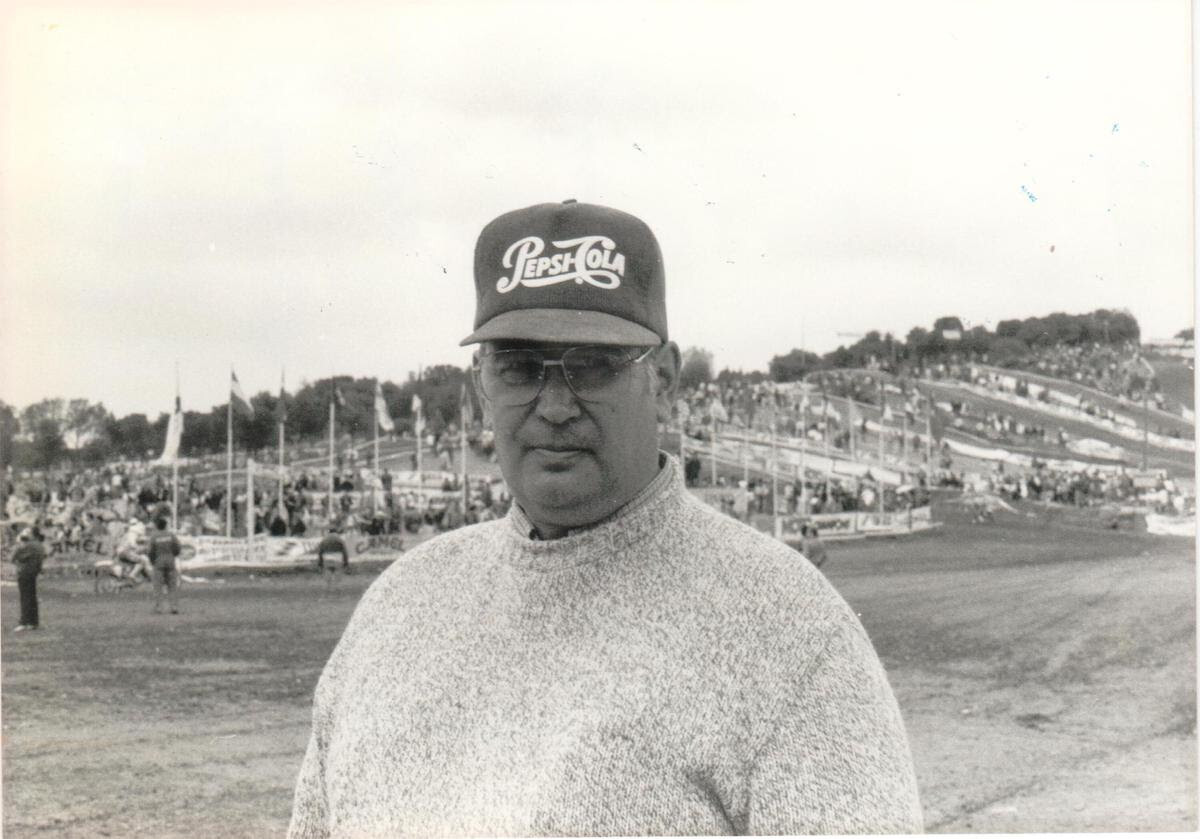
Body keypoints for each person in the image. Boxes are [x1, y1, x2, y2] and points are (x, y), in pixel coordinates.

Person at [289, 200, 922, 836]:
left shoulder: (793, 632)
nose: (555, 405)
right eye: (519, 368)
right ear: (482, 384)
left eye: (592, 365)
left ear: (664, 380)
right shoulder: (397, 606)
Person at [11, 527, 46, 631]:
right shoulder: (40, 545)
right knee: (32, 597)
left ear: (31, 534)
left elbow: (14, 557)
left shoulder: (28, 545)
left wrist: (19, 543)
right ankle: (33, 622)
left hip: (25, 572)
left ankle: (24, 622)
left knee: (25, 597)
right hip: (33, 572)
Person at [146, 516, 182, 614]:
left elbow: (150, 551)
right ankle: (174, 606)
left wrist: (152, 561)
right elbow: (178, 547)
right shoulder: (171, 535)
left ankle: (158, 607)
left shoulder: (154, 537)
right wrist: (173, 555)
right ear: (166, 525)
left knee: (158, 586)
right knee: (172, 585)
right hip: (170, 562)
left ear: (157, 526)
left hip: (158, 562)